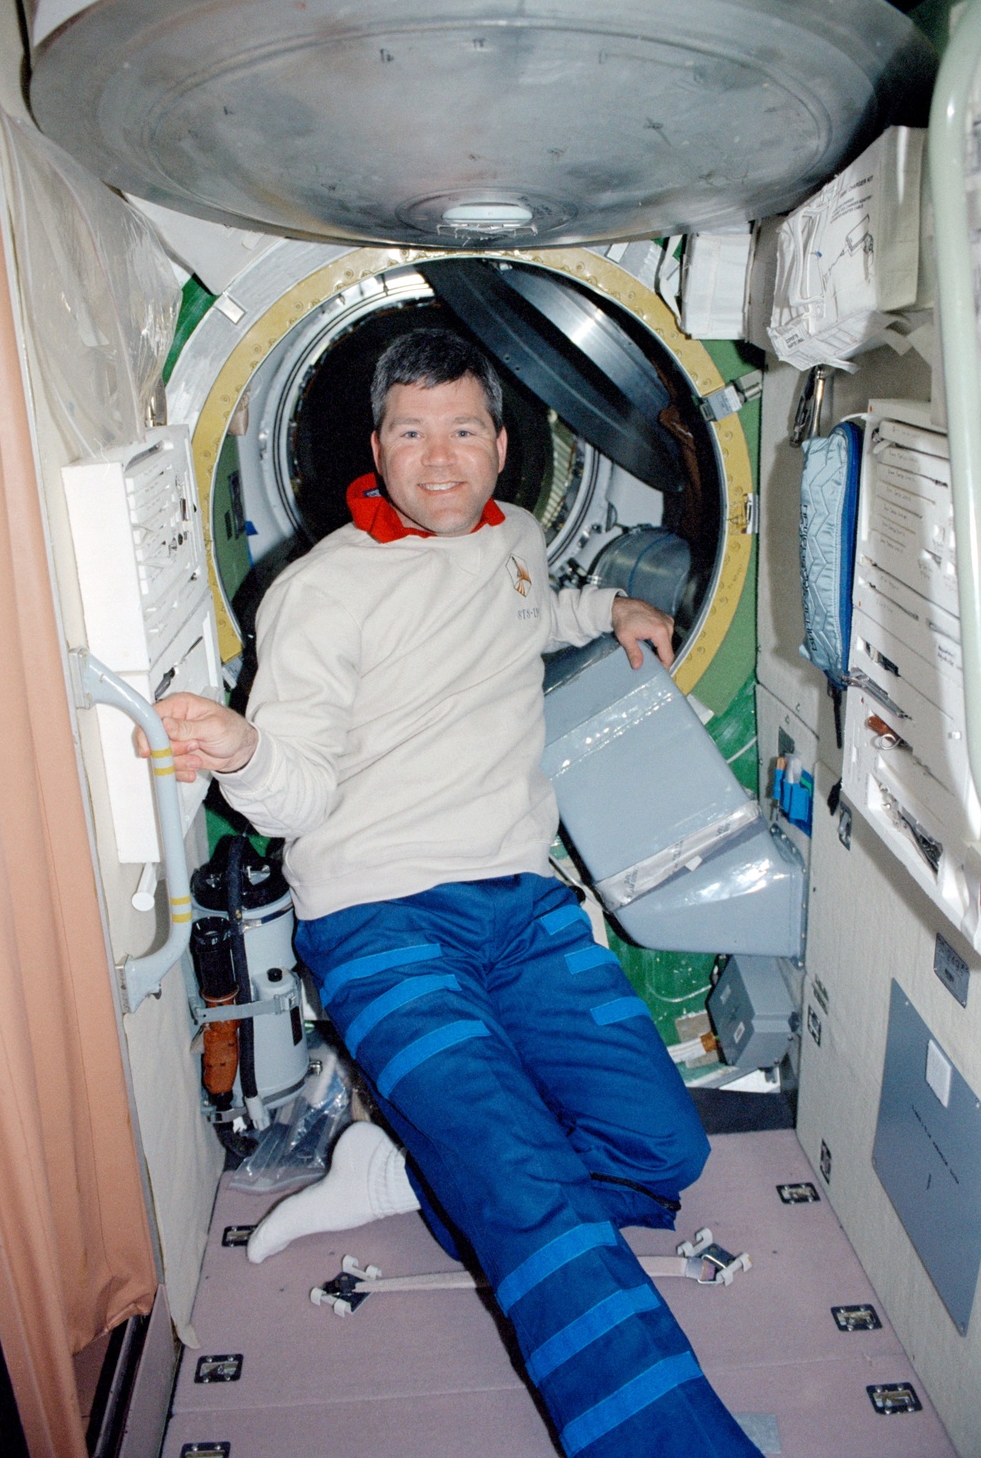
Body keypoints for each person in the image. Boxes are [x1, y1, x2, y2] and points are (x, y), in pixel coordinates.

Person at [148, 330, 761, 1458]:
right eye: (413, 434)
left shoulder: (515, 537)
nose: (440, 462)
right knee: (531, 1190)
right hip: (379, 918)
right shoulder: (321, 592)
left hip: (522, 910)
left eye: (464, 431)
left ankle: (413, 1167)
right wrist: (240, 751)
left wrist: (607, 611)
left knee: (662, 1150)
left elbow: (530, 609)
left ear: (502, 443)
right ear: (375, 446)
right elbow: (294, 791)